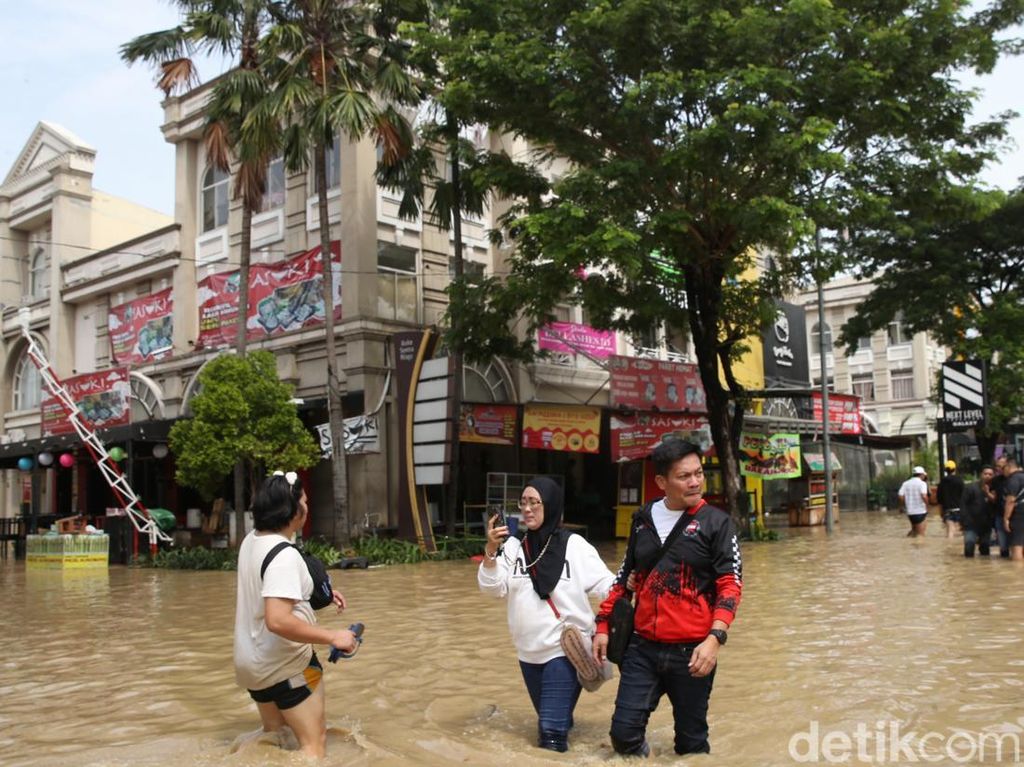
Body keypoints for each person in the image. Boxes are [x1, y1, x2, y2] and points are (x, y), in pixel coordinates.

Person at [592, 438, 742, 756]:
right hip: (642, 648)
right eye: (684, 476)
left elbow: (731, 585)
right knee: (623, 734)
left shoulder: (717, 524)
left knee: (691, 744)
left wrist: (715, 639)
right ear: (661, 481)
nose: (695, 482)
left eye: (698, 473)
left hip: (693, 653)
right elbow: (624, 577)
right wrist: (603, 625)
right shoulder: (642, 519)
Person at [478, 477, 615, 753]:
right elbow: (492, 590)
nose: (527, 509)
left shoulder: (574, 546)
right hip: (528, 654)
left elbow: (609, 586)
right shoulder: (514, 547)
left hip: (565, 650)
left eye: (535, 502)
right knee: (556, 721)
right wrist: (491, 552)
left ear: (551, 505)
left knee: (550, 735)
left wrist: (608, 625)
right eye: (523, 502)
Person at [233, 471, 357, 759]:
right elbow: (278, 620)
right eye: (304, 500)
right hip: (287, 666)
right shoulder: (285, 555)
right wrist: (333, 636)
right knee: (314, 746)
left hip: (252, 668)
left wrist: (321, 594)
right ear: (292, 509)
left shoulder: (251, 541)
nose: (307, 505)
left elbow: (268, 590)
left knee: (278, 740)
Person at [960, 466, 996, 557]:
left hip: (986, 524)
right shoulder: (970, 488)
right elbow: (963, 505)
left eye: (990, 474)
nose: (987, 476)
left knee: (985, 548)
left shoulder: (995, 489)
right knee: (969, 546)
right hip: (971, 523)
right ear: (981, 475)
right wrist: (964, 521)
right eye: (985, 474)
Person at [1001, 458, 1024, 561]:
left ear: (1009, 467)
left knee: (1017, 547)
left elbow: (1011, 500)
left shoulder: (1013, 479)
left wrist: (1006, 518)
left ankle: (1017, 573)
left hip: (1019, 515)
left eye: (1003, 468)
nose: (1002, 471)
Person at [898, 466, 930, 537]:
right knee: (921, 534)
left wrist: (902, 506)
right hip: (920, 511)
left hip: (910, 512)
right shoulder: (922, 483)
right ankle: (919, 546)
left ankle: (907, 543)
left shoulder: (905, 483)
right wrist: (927, 506)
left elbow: (900, 496)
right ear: (921, 475)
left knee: (914, 530)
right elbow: (924, 496)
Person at [937, 459, 965, 539]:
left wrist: (941, 514)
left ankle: (949, 546)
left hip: (947, 510)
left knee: (950, 531)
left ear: (945, 470)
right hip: (959, 509)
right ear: (955, 469)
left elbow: (939, 500)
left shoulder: (942, 482)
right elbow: (964, 496)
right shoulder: (960, 481)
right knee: (961, 531)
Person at [989, 456, 1010, 557]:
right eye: (997, 466)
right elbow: (993, 498)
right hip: (999, 515)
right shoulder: (995, 480)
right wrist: (986, 492)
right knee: (1003, 545)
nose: (998, 468)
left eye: (1001, 466)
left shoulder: (1015, 478)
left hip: (1016, 516)